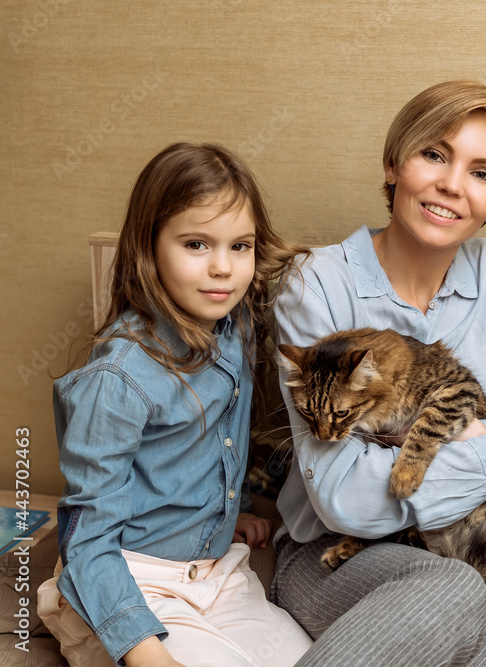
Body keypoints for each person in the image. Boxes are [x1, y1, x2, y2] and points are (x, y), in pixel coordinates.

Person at [269, 80, 486, 667]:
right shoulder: (317, 285)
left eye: (483, 173)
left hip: (469, 546)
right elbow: (345, 501)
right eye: (434, 154)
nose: (452, 184)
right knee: (455, 591)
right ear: (393, 162)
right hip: (330, 557)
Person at [37, 142, 314, 667]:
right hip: (128, 580)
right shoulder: (116, 378)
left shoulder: (238, 325)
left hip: (215, 575)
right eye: (195, 244)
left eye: (241, 246)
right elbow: (87, 538)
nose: (223, 269)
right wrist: (146, 653)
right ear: (149, 247)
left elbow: (196, 452)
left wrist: (214, 514)